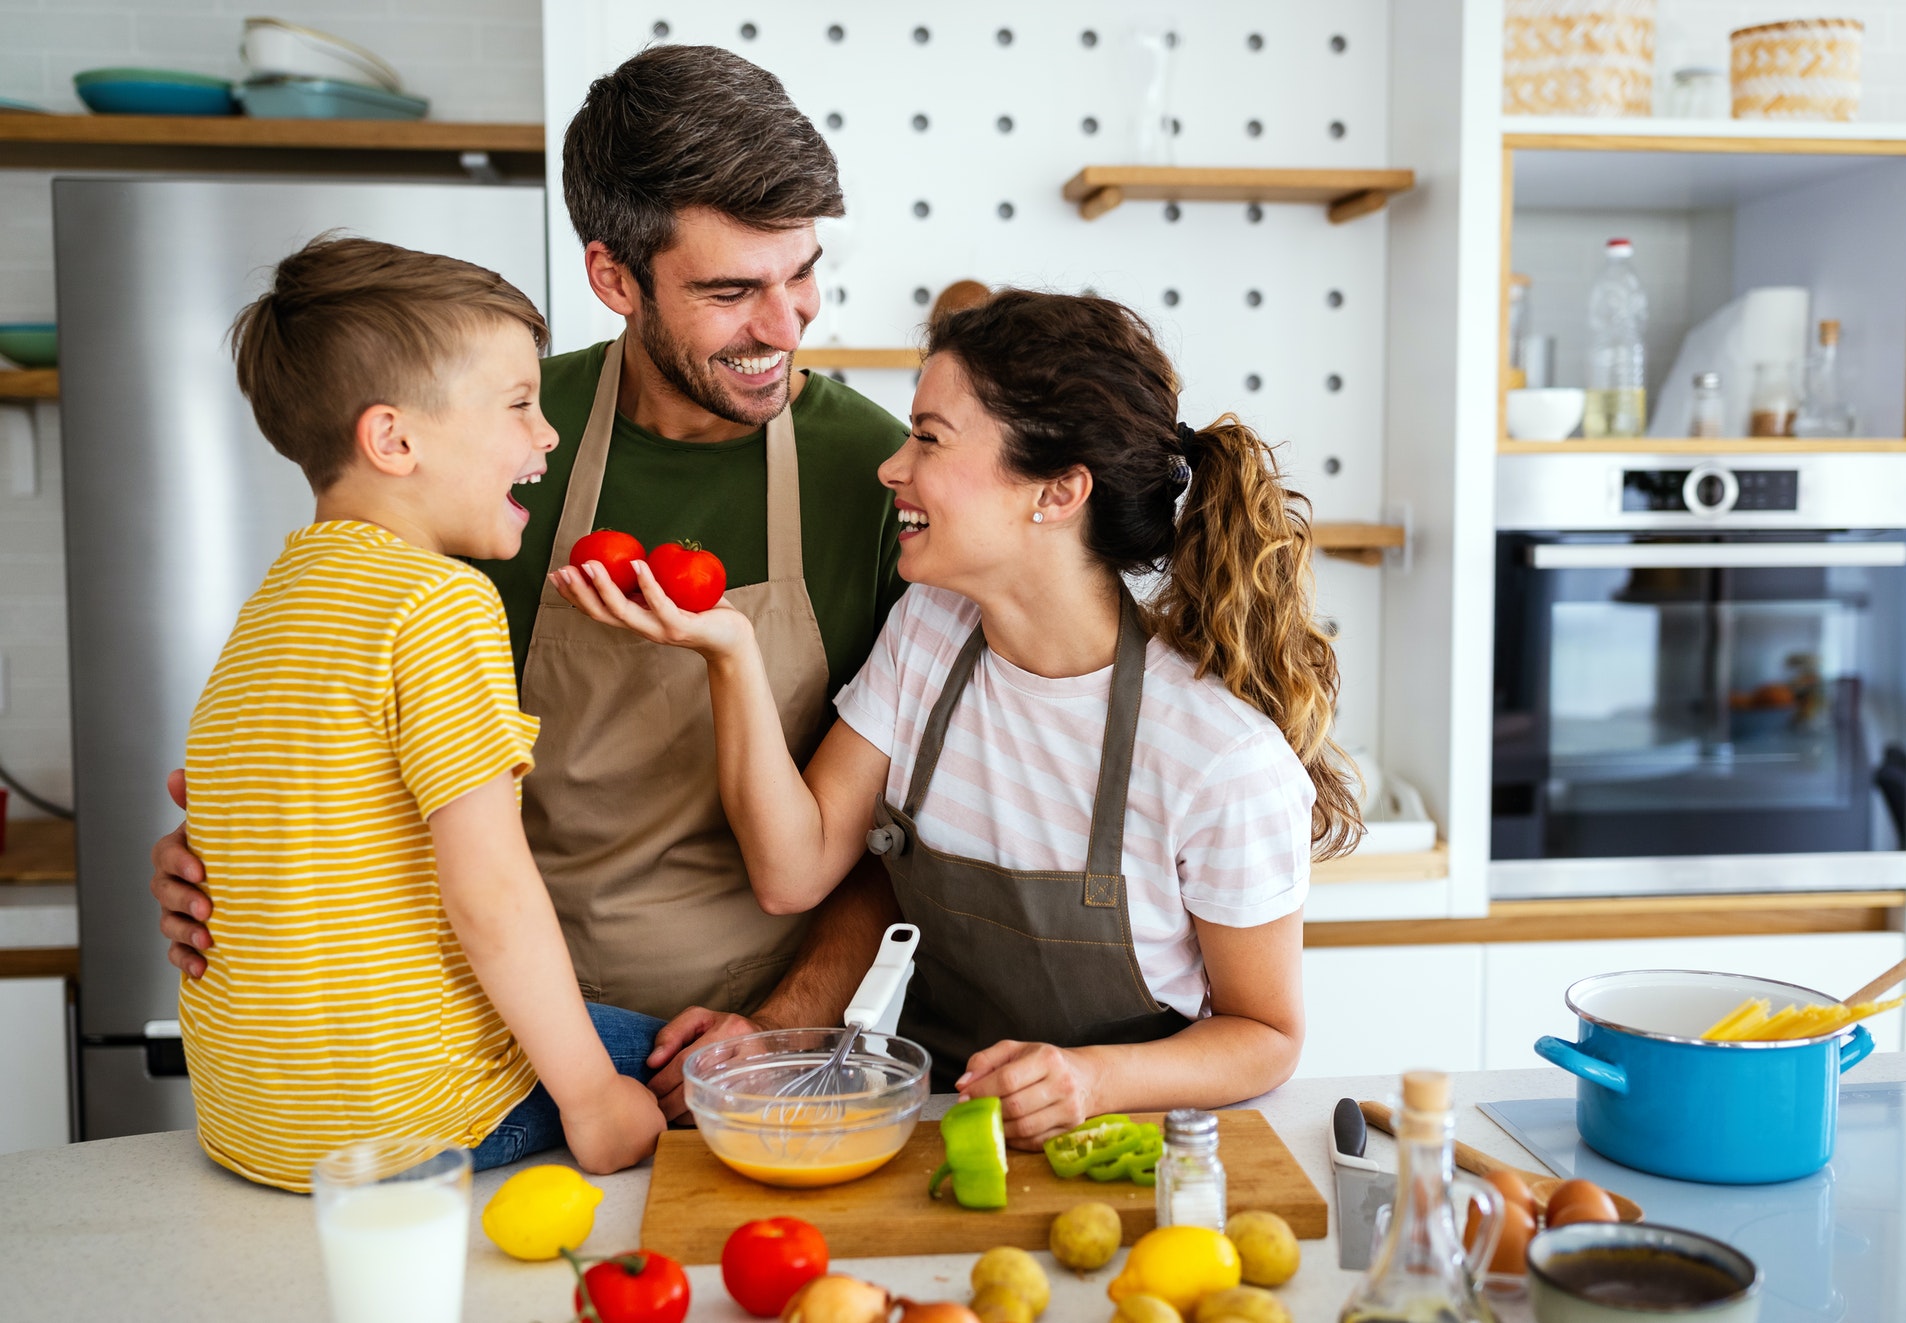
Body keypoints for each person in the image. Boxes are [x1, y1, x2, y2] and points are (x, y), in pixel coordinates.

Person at [150, 44, 912, 1116]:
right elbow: (351, 709)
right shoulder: (490, 442)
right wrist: (235, 849)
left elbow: (906, 841)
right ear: (613, 277)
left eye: (802, 273)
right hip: (474, 1048)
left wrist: (783, 1028)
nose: (788, 327)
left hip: (753, 1060)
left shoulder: (870, 476)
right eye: (733, 290)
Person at [556, 290, 1362, 1143]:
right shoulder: (930, 633)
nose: (890, 467)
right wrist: (730, 653)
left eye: (928, 439)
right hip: (929, 1125)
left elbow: (1267, 1037)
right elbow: (792, 869)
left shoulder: (1215, 753)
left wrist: (1090, 1077)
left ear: (1055, 493)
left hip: (1119, 1145)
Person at [181, 237, 664, 1191]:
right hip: (411, 1120)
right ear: (395, 439)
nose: (547, 435)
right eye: (518, 404)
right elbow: (490, 894)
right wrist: (594, 1101)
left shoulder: (271, 606)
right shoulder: (438, 602)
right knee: (703, 1058)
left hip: (255, 1122)